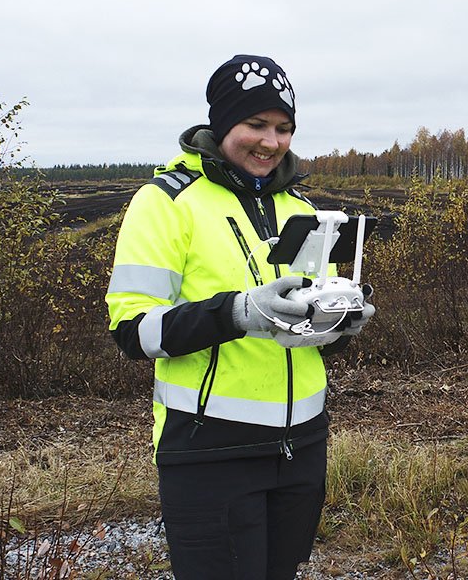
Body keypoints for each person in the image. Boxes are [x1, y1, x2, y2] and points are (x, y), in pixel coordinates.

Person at [105, 54, 373, 579]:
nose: (270, 142)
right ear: (223, 124)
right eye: (255, 124)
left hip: (302, 447)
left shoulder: (301, 209)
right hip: (210, 452)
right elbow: (133, 331)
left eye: (283, 128)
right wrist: (238, 311)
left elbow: (304, 327)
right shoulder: (165, 204)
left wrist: (339, 323)